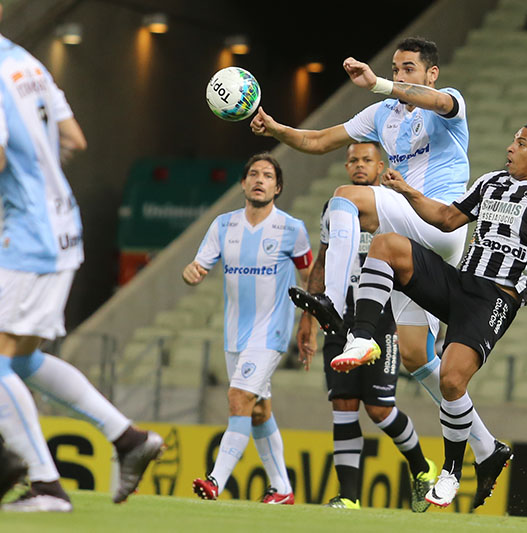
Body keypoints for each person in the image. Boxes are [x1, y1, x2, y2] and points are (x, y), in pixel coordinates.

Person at [251, 37, 512, 507]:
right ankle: (487, 447)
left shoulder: (448, 103)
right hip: (416, 242)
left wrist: (381, 84)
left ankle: (332, 301)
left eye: (410, 68)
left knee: (345, 196)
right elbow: (317, 140)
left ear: (431, 73)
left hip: (441, 221)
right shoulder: (381, 117)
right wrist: (274, 127)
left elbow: (436, 101)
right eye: (397, 67)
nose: (403, 74)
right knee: (417, 357)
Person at [334, 123, 527, 508]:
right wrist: (409, 193)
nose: (510, 147)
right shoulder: (491, 182)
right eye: (513, 140)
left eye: (521, 143)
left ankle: (451, 470)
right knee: (385, 245)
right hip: (460, 283)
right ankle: (362, 336)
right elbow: (448, 219)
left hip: (495, 298)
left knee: (451, 378)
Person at [0, 12, 163, 512]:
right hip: (62, 225)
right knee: (21, 359)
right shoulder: (24, 61)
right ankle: (128, 439)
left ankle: (46, 486)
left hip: (28, 235)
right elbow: (74, 138)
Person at [296, 141, 436, 511]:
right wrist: (307, 318)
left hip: (380, 321)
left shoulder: (395, 208)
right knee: (343, 405)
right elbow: (323, 261)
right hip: (338, 320)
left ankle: (421, 468)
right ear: (346, 167)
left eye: (367, 160)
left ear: (381, 165)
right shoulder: (335, 208)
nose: (359, 166)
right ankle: (349, 496)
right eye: (353, 160)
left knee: (378, 409)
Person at [184, 153, 313, 505]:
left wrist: (308, 325)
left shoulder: (292, 230)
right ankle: (282, 488)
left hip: (271, 333)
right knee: (258, 411)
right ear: (243, 184)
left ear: (278, 186)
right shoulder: (224, 226)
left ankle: (216, 480)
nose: (259, 179)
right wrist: (191, 274)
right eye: (253, 174)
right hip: (234, 334)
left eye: (267, 175)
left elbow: (310, 279)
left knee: (239, 399)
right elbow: (197, 267)